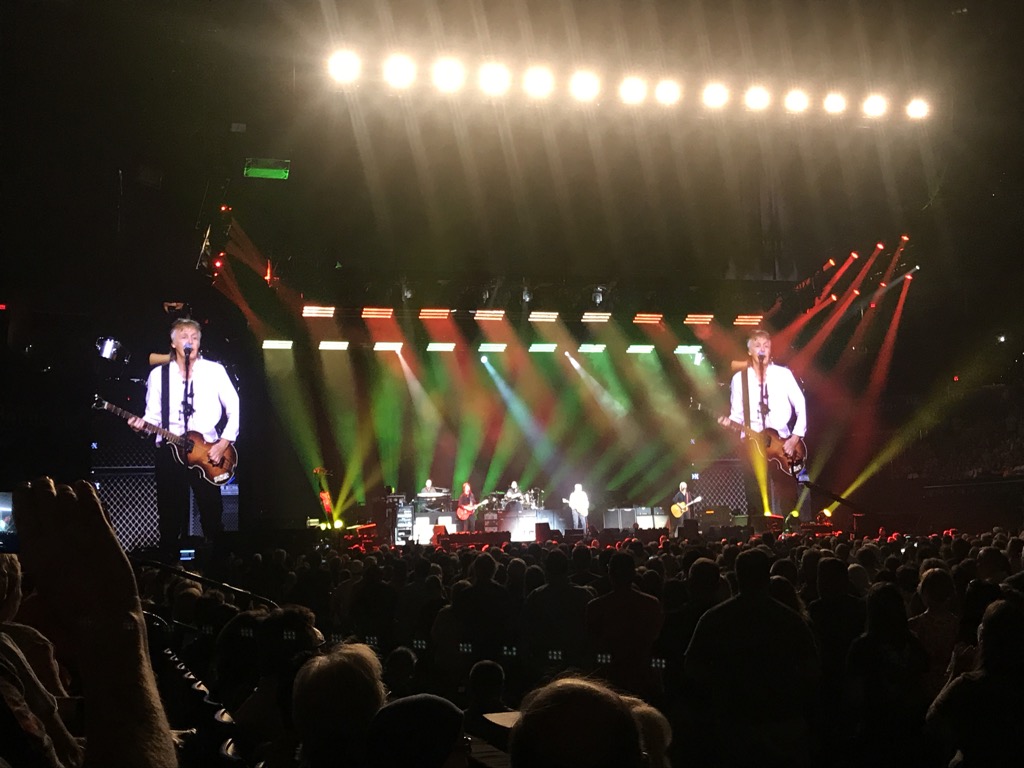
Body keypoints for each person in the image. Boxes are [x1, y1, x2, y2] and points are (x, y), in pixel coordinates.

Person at [129, 318, 239, 560]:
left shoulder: (214, 371)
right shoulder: (159, 375)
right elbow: (152, 417)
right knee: (169, 519)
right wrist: (141, 428)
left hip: (208, 451)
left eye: (194, 337)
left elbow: (234, 407)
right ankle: (170, 571)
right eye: (184, 336)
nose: (190, 341)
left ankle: (218, 570)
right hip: (170, 452)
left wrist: (223, 443)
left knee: (212, 516)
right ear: (173, 343)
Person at [719, 328, 807, 516]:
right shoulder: (740, 379)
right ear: (749, 350)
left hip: (782, 442)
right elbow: (737, 415)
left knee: (788, 494)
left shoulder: (783, 374)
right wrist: (728, 422)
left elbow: (800, 404)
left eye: (766, 346)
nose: (762, 349)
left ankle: (791, 527)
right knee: (754, 494)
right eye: (757, 345)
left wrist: (795, 438)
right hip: (752, 444)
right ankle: (760, 529)